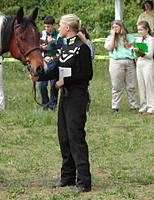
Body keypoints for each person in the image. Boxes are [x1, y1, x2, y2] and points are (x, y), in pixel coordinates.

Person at [31, 14, 93, 193]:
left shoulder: (82, 48)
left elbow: (87, 74)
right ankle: (67, 177)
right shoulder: (65, 48)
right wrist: (40, 76)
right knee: (64, 137)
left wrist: (66, 81)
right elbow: (58, 70)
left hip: (77, 97)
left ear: (68, 27)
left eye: (60, 25)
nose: (58, 27)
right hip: (65, 98)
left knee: (76, 137)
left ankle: (84, 181)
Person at [104, 20, 137, 112]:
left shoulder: (129, 37)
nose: (115, 29)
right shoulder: (110, 38)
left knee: (131, 85)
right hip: (116, 62)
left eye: (117, 27)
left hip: (129, 61)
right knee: (117, 85)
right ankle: (115, 106)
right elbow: (109, 48)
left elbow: (134, 49)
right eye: (113, 27)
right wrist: (113, 36)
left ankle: (133, 105)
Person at [38, 16, 64, 110]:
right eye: (45, 26)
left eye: (49, 26)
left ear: (53, 25)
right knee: (42, 85)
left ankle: (52, 105)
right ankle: (44, 104)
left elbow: (61, 48)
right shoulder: (42, 34)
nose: (47, 28)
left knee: (54, 85)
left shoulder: (59, 35)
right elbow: (36, 46)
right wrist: (42, 48)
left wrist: (52, 44)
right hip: (44, 60)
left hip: (54, 60)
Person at [134, 21, 154, 115]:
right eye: (138, 30)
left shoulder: (151, 40)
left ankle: (152, 107)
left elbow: (150, 54)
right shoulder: (138, 40)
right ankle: (143, 106)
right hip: (139, 63)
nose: (140, 32)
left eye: (141, 30)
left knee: (149, 86)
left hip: (148, 63)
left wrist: (140, 52)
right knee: (141, 85)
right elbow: (135, 54)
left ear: (147, 29)